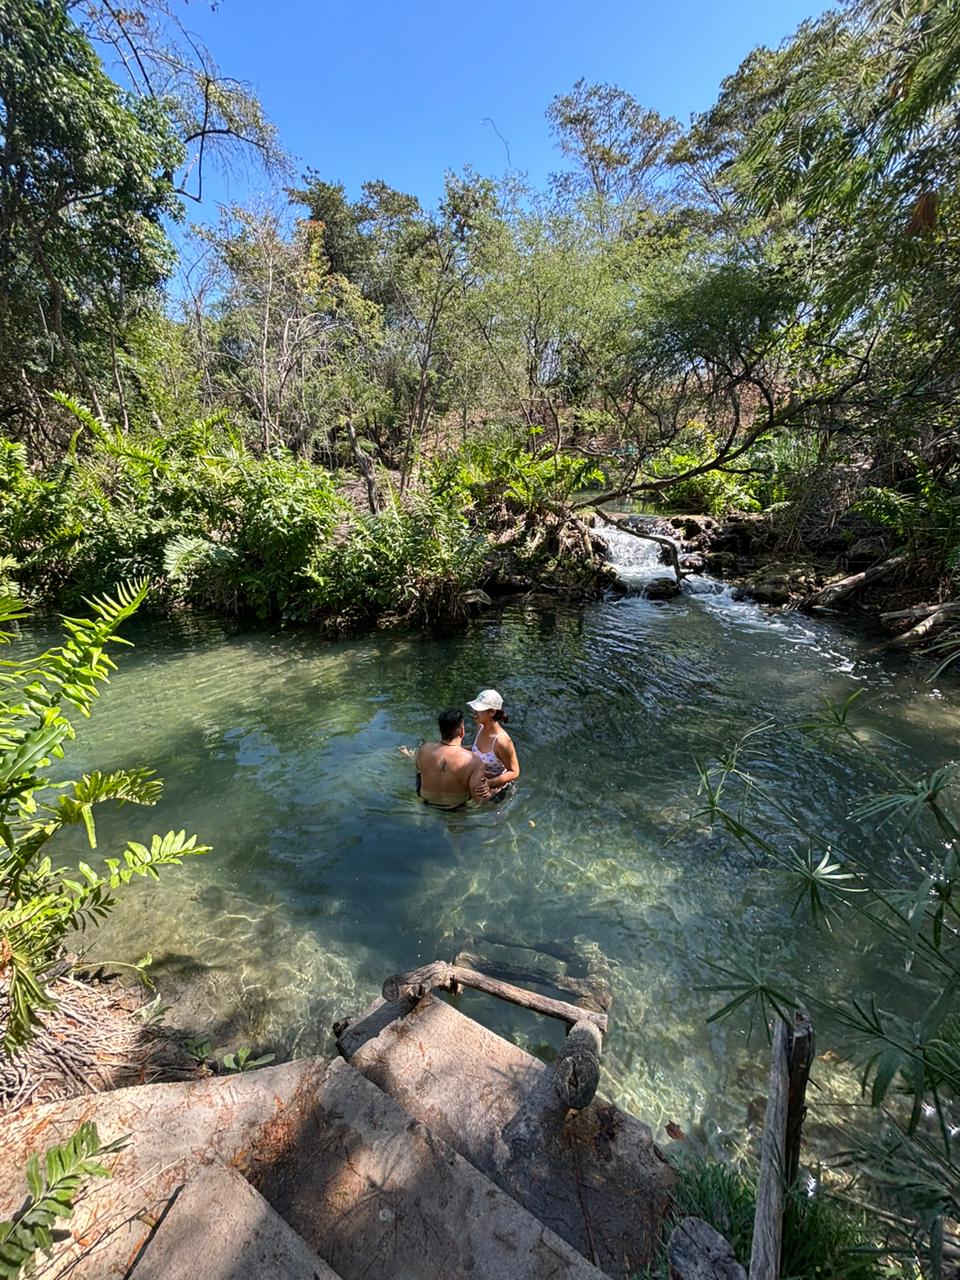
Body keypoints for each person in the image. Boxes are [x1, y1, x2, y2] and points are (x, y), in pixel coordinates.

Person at [405, 708, 491, 810]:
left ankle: (409, 756)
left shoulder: (424, 749)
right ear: (462, 731)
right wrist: (493, 791)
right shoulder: (474, 761)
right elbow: (479, 799)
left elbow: (419, 770)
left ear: (440, 730)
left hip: (425, 802)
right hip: (456, 808)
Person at [467, 689, 520, 793]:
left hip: (497, 788)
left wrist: (490, 783)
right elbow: (476, 748)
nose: (474, 712)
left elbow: (514, 771)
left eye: (478, 709)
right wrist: (453, 748)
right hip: (479, 781)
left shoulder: (502, 741)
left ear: (491, 712)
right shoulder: (480, 727)